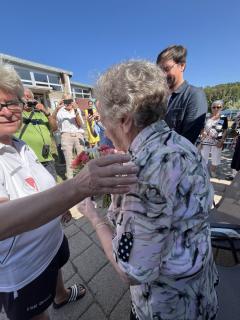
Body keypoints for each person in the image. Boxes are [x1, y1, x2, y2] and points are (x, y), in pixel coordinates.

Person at [79, 60, 218, 320]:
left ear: (124, 120)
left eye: (103, 118)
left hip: (168, 307)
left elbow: (131, 271)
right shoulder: (182, 144)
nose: (104, 128)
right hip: (200, 290)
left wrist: (94, 217)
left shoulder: (141, 174)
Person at [0, 64, 138, 320]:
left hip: (49, 243)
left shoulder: (19, 144)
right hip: (23, 267)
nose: (7, 112)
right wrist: (77, 187)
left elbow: (36, 183)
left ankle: (61, 296)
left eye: (13, 103)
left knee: (56, 270)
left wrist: (60, 203)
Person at [156, 45, 208, 144]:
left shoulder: (194, 95)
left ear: (182, 66)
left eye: (167, 69)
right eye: (159, 70)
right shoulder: (159, 99)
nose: (162, 75)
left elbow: (187, 140)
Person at [15, 88, 58, 180]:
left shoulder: (40, 113)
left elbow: (54, 128)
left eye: (29, 97)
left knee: (52, 188)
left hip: (46, 159)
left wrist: (46, 113)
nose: (27, 99)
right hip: (26, 160)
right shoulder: (16, 113)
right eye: (24, 97)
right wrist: (20, 106)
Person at [52, 94, 85, 179]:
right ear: (62, 101)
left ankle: (83, 178)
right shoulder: (60, 111)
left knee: (82, 158)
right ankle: (70, 180)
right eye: (66, 101)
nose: (68, 103)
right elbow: (52, 121)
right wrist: (56, 109)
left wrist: (75, 110)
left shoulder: (76, 109)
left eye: (70, 100)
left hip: (78, 134)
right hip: (65, 135)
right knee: (69, 160)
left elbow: (80, 124)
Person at [200, 100, 228, 178]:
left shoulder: (223, 118)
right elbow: (201, 128)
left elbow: (225, 130)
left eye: (218, 107)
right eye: (214, 107)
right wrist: (202, 133)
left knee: (215, 158)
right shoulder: (207, 116)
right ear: (211, 108)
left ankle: (212, 171)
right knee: (203, 157)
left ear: (221, 108)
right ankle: (203, 172)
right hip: (205, 140)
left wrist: (221, 141)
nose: (216, 109)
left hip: (217, 141)